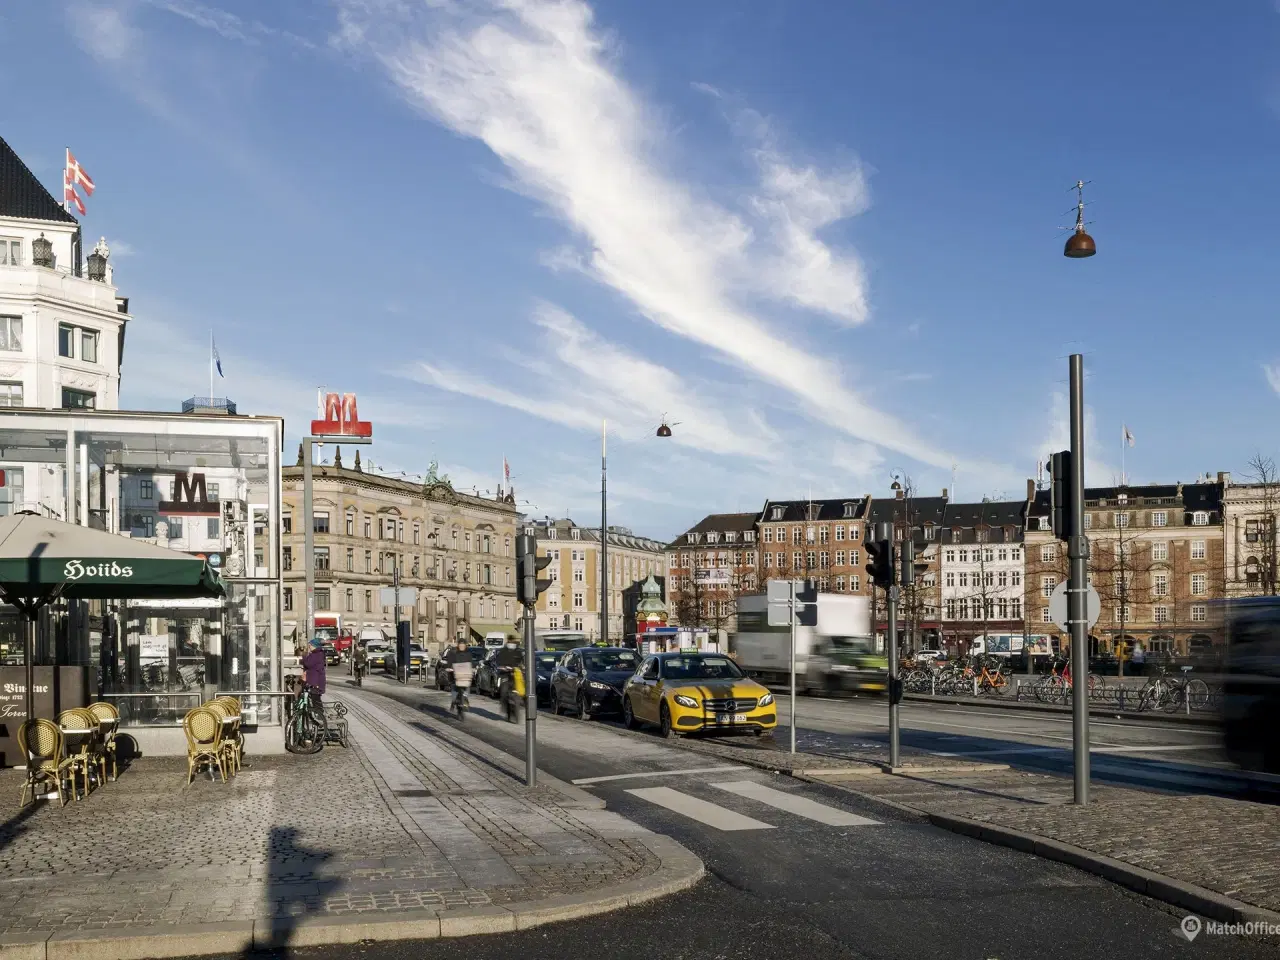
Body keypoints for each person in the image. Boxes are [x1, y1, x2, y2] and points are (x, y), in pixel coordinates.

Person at [440, 639, 473, 708]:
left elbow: (470, 663)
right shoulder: (453, 653)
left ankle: (465, 697)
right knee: (453, 685)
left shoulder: (468, 653)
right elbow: (449, 662)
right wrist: (448, 668)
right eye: (460, 645)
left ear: (465, 645)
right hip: (455, 674)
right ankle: (454, 700)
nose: (462, 646)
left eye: (463, 645)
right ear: (458, 645)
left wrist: (472, 668)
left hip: (464, 674)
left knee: (468, 684)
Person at [301, 637, 328, 719]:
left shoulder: (316, 654)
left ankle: (320, 716)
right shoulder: (317, 653)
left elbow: (308, 663)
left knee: (315, 698)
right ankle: (318, 714)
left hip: (316, 681)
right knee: (314, 697)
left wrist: (304, 656)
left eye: (310, 645)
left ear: (314, 645)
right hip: (315, 679)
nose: (309, 646)